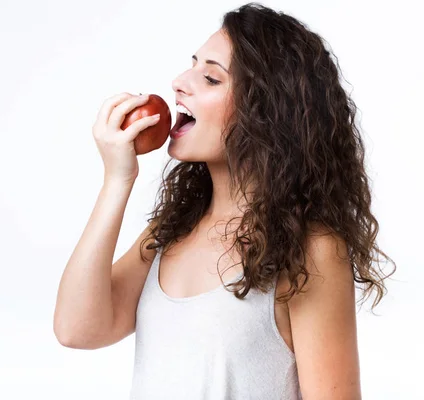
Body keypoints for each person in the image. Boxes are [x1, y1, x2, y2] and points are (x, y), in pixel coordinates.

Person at [53, 2, 396, 399]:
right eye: (192, 65)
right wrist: (117, 180)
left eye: (211, 79)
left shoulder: (311, 251)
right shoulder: (171, 232)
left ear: (265, 112)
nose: (180, 81)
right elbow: (76, 329)